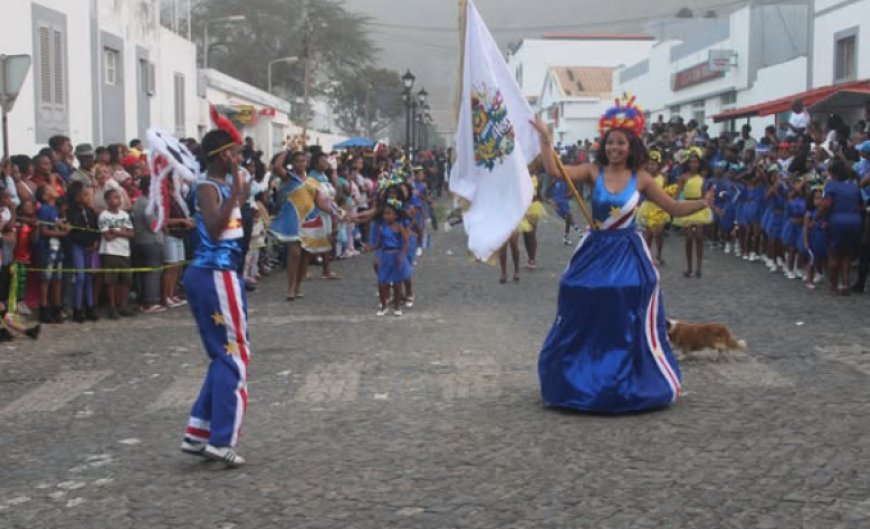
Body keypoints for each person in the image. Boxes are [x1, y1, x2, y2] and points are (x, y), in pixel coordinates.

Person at [530, 96, 713, 414]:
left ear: (631, 146)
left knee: (625, 300)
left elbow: (673, 208)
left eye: (621, 143)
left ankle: (629, 375)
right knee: (576, 292)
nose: (615, 148)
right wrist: (546, 139)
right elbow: (553, 170)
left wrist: (703, 203)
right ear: (604, 144)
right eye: (611, 142)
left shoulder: (642, 178)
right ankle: (576, 373)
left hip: (628, 251)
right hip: (595, 249)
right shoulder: (591, 171)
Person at [180, 123, 250, 467]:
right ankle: (222, 441)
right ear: (223, 156)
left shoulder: (219, 184)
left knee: (222, 354)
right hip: (214, 273)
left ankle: (199, 432)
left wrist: (238, 192)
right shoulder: (208, 186)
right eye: (235, 153)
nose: (239, 158)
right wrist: (236, 192)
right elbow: (214, 227)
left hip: (220, 274)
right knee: (235, 356)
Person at [269, 150, 332, 300]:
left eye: (303, 161)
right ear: (293, 163)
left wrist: (336, 212)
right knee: (294, 253)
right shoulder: (289, 178)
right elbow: (277, 167)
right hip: (292, 219)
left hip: (309, 219)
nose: (301, 164)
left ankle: (298, 287)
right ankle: (290, 288)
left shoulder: (312, 182)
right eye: (297, 161)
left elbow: (320, 202)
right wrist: (287, 150)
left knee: (305, 255)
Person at [819, 159, 862, 295]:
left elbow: (826, 205)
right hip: (854, 220)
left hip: (837, 220)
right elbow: (859, 204)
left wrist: (818, 218)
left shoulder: (831, 186)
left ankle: (833, 286)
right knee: (847, 255)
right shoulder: (853, 186)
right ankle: (845, 285)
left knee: (834, 254)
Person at [673, 147, 713, 277]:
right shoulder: (683, 177)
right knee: (689, 237)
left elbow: (704, 194)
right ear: (687, 163)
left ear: (699, 163)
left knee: (700, 236)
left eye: (696, 162)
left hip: (699, 206)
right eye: (691, 162)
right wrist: (674, 206)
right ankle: (689, 266)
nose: (693, 164)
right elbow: (677, 193)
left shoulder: (702, 178)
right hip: (687, 206)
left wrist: (706, 205)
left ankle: (699, 267)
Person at [98, 188, 135, 319]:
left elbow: (131, 233)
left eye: (118, 197)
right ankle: (112, 306)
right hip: (110, 251)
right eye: (114, 197)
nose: (117, 200)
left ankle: (123, 304)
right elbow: (106, 236)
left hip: (124, 251)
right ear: (107, 200)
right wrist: (121, 232)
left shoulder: (124, 215)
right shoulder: (104, 216)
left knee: (126, 280)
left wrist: (117, 232)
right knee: (111, 281)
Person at [36, 185, 69, 324]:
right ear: (45, 196)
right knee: (46, 279)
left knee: (58, 278)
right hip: (47, 248)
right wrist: (62, 233)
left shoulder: (55, 209)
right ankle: (44, 308)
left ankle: (56, 307)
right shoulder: (44, 208)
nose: (54, 189)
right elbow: (43, 230)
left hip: (57, 247)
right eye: (50, 189)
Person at [373, 198, 410, 316]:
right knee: (382, 282)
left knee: (397, 283)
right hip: (385, 256)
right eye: (384, 214)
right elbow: (379, 244)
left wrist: (402, 255)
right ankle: (383, 305)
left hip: (396, 256)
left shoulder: (399, 227)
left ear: (395, 215)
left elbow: (406, 243)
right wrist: (372, 249)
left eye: (389, 213)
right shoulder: (381, 228)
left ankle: (397, 306)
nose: (386, 216)